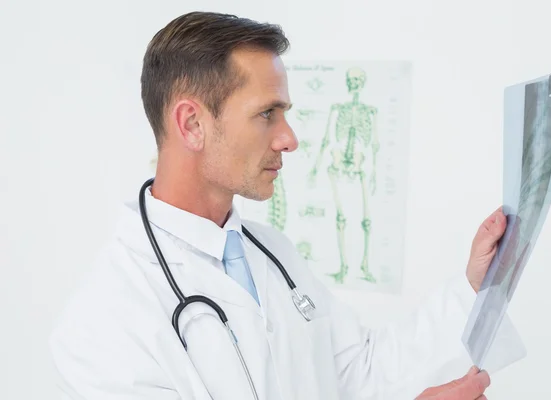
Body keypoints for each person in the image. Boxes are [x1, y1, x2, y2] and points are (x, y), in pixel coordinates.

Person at [48, 11, 509, 400]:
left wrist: (473, 285)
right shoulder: (102, 322)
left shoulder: (272, 254)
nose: (289, 139)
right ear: (191, 124)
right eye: (267, 114)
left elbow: (357, 372)